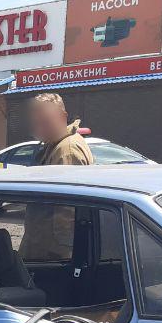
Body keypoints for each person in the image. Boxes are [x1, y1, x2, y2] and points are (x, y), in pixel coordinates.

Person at [21, 92, 93, 262]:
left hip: (50, 257)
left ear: (62, 116)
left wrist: (59, 260)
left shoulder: (66, 150)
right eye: (36, 123)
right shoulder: (55, 145)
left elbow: (68, 213)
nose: (40, 129)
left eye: (46, 121)